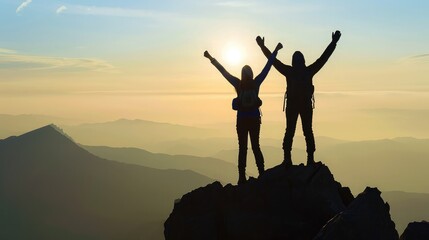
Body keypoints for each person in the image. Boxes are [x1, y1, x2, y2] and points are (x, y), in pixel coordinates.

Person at [256, 30, 341, 167]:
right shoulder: (309, 71)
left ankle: (287, 159)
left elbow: (273, 61)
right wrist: (333, 42)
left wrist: (262, 47)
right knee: (308, 131)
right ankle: (310, 159)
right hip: (306, 105)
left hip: (292, 105)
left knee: (290, 130)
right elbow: (323, 58)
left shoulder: (289, 71)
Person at [204, 41, 283, 184]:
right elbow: (268, 67)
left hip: (241, 120)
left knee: (242, 148)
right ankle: (262, 172)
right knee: (256, 146)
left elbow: (223, 71)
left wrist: (211, 58)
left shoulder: (237, 84)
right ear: (251, 74)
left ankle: (241, 177)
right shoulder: (256, 83)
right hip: (254, 119)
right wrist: (276, 50)